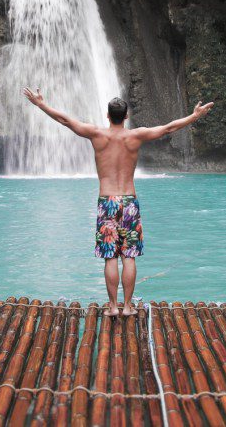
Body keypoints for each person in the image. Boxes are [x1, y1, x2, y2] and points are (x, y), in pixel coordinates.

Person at [23, 87, 214, 317]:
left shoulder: (96, 134)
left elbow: (65, 120)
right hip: (129, 202)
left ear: (107, 115)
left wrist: (41, 104)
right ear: (126, 117)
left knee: (110, 257)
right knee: (129, 256)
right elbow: (169, 128)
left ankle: (112, 307)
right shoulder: (136, 136)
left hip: (107, 202)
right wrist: (194, 116)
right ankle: (127, 307)